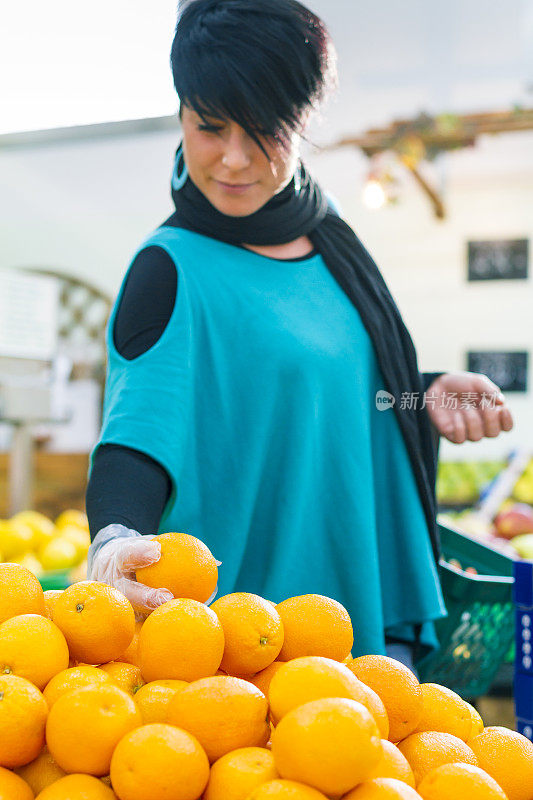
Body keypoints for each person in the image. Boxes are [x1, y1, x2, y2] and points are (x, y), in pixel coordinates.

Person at [86, 0, 514, 671]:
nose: (233, 159)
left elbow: (346, 395)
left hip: (358, 615)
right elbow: (135, 436)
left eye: (265, 131)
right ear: (181, 114)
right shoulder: (170, 268)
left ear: (305, 121)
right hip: (239, 654)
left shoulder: (330, 236)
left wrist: (420, 394)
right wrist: (114, 537)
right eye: (209, 126)